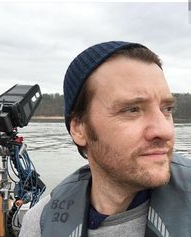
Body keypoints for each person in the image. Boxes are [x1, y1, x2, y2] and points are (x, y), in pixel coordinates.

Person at [19, 41, 191, 237]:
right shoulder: (41, 224)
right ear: (79, 129)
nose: (165, 130)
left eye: (166, 109)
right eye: (132, 110)